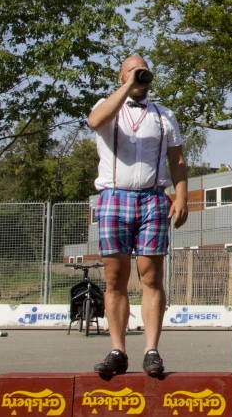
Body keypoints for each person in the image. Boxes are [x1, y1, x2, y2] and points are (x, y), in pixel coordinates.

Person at [87, 55, 188, 376]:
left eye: (143, 71)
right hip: (114, 197)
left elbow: (178, 159)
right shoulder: (107, 106)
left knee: (151, 278)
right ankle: (117, 349)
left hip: (152, 199)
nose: (139, 75)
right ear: (121, 77)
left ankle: (152, 351)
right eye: (132, 71)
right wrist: (129, 85)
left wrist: (182, 196)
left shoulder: (164, 116)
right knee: (114, 279)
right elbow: (94, 122)